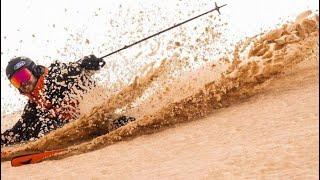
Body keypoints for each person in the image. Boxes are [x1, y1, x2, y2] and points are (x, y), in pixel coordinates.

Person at [1, 55, 135, 146]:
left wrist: (88, 63)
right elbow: (17, 131)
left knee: (45, 125)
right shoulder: (34, 104)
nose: (22, 83)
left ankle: (123, 122)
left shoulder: (55, 77)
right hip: (76, 125)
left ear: (34, 70)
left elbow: (75, 68)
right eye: (16, 81)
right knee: (29, 130)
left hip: (94, 114)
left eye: (23, 75)